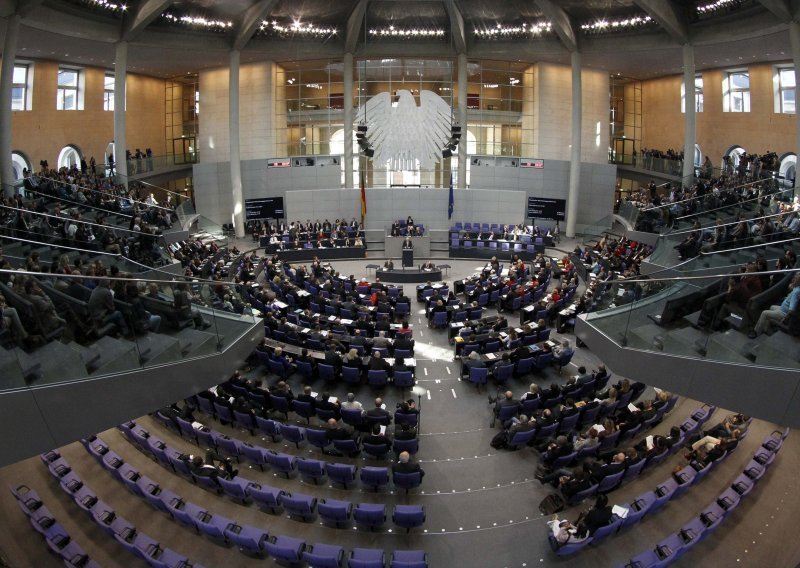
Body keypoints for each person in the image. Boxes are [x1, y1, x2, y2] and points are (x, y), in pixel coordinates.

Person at [751, 273, 800, 337]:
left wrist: (785, 318)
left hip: (783, 313)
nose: (793, 280)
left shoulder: (796, 292)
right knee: (772, 307)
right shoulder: (796, 288)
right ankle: (765, 329)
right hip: (782, 308)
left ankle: (756, 332)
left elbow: (791, 310)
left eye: (795, 279)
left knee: (764, 313)